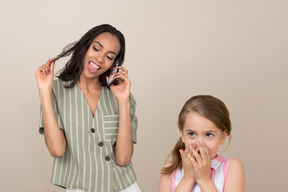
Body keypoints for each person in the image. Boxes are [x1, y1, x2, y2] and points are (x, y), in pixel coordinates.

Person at [35, 24, 141, 192]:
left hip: (123, 186)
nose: (100, 58)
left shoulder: (121, 96)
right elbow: (57, 149)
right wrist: (44, 91)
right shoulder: (55, 91)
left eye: (109, 56)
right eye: (96, 48)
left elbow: (123, 159)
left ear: (115, 64)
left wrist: (123, 101)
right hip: (80, 186)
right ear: (85, 47)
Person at [158, 95, 245, 192]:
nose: (199, 143)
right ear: (182, 134)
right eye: (191, 134)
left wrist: (204, 180)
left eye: (209, 135)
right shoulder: (170, 170)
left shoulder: (232, 167)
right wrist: (188, 178)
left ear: (222, 137)